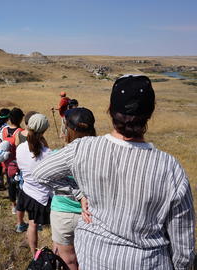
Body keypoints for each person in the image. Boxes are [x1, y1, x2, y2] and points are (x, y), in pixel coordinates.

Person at [33, 75, 195, 269]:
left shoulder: (82, 148)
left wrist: (78, 193)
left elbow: (40, 173)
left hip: (93, 259)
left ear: (110, 109)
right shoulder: (171, 169)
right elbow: (184, 248)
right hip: (147, 262)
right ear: (150, 112)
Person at [42, 108, 96, 270]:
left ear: (68, 129)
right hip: (92, 214)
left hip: (63, 213)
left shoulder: (59, 155)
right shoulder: (101, 155)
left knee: (68, 261)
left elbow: (41, 175)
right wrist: (81, 194)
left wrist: (75, 192)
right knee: (89, 259)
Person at [16, 113, 52, 256]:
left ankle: (34, 254)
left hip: (27, 191)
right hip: (43, 196)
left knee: (32, 224)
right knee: (55, 231)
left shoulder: (20, 148)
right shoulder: (47, 153)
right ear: (44, 131)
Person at [1, 108, 25, 214]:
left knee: (10, 184)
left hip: (6, 161)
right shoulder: (20, 132)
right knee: (19, 183)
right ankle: (20, 204)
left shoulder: (4, 130)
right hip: (17, 163)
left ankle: (13, 205)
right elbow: (20, 148)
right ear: (20, 119)